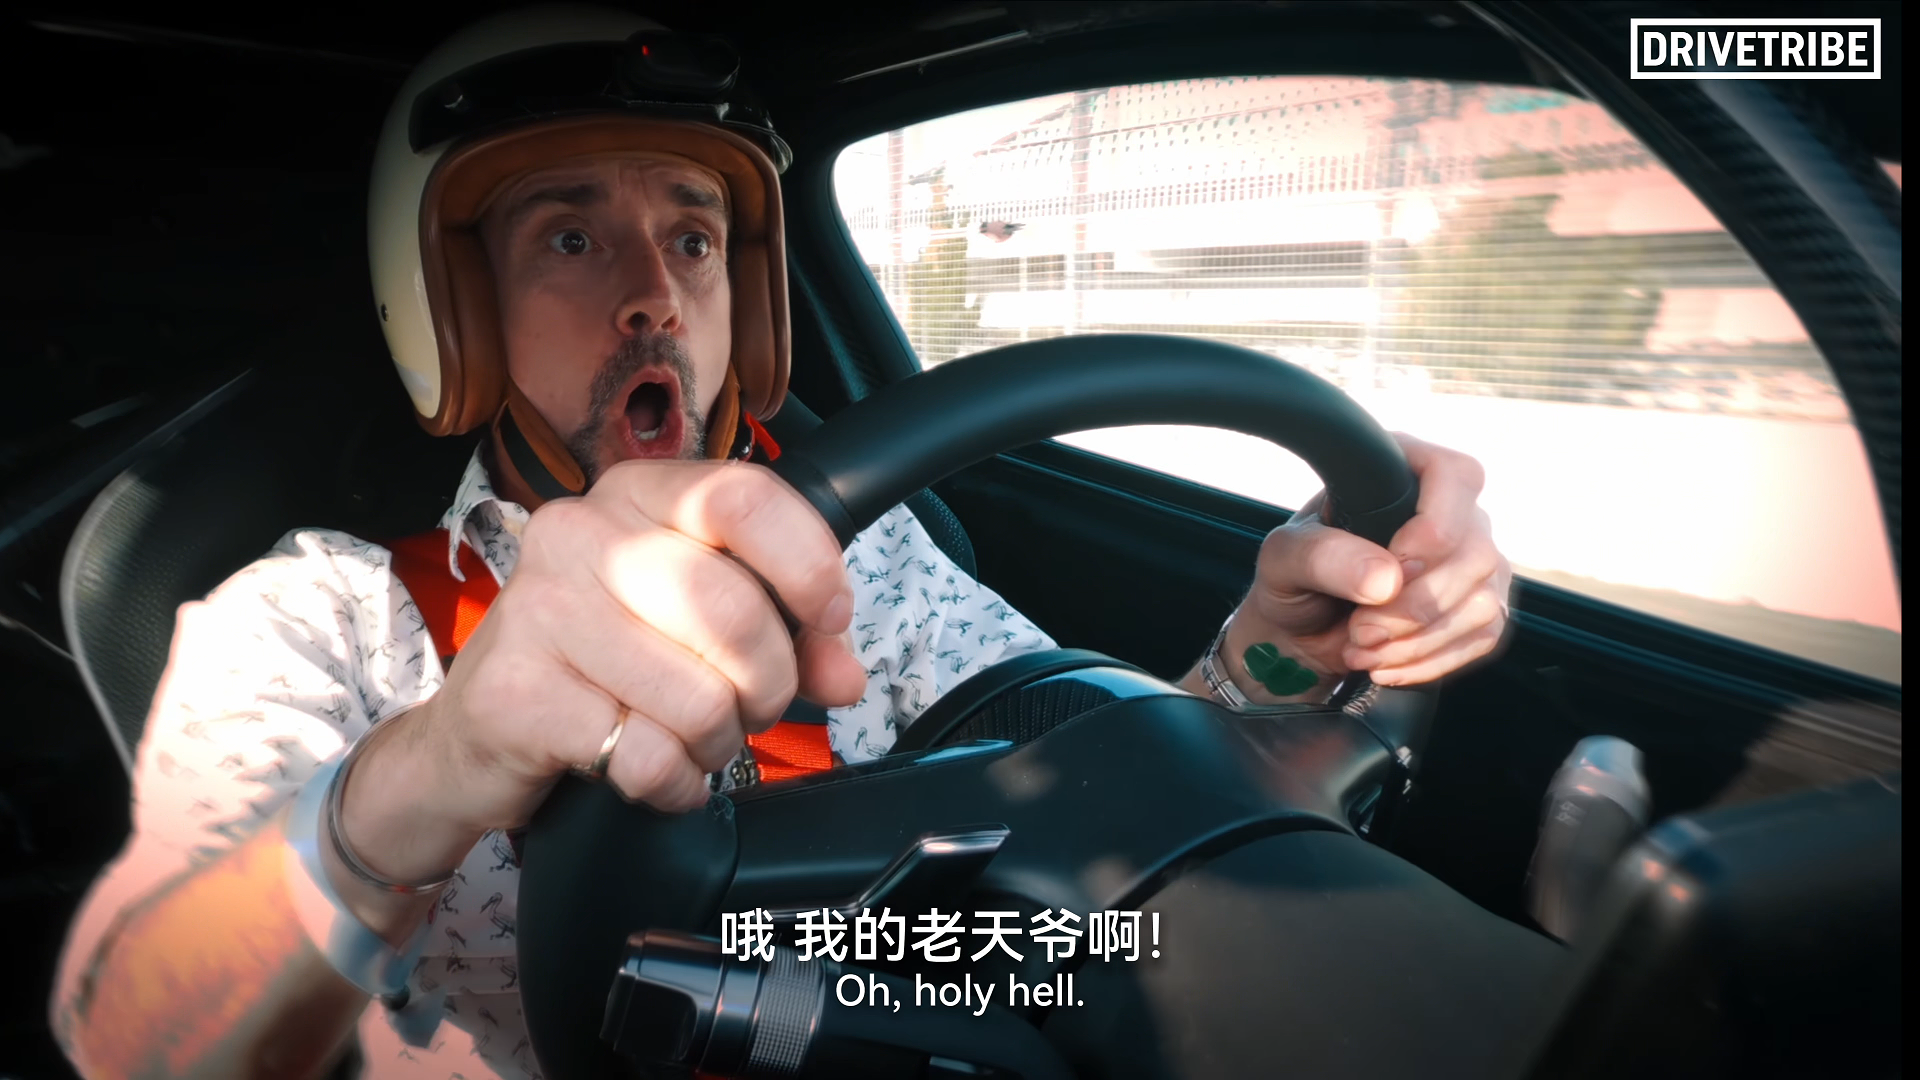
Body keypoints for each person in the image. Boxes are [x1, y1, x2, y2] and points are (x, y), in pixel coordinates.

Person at [48, 8, 1513, 1079]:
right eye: (571, 237)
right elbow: (133, 1037)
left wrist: (1273, 665)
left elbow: (1097, 856)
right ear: (454, 307)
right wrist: (432, 767)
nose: (655, 295)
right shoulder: (315, 617)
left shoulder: (862, 554)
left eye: (693, 238)